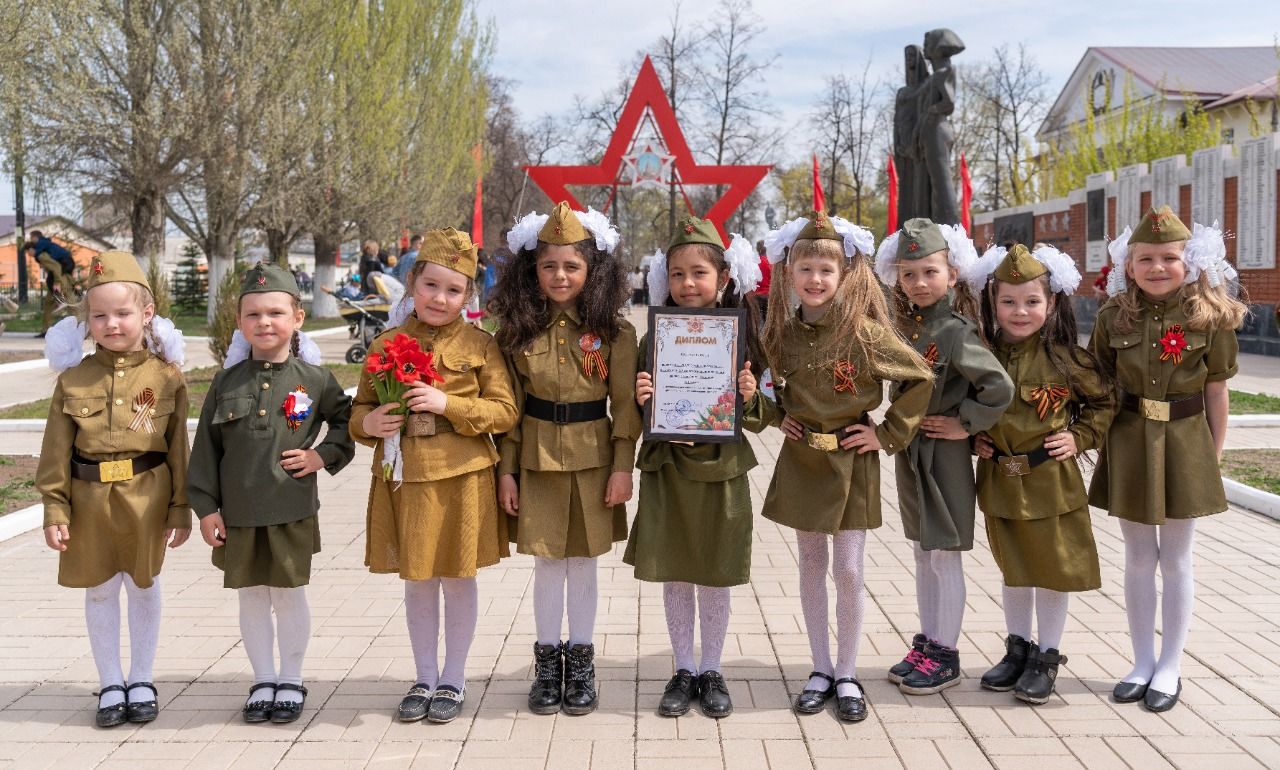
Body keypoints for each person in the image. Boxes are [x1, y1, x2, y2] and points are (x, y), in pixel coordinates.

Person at [760, 211, 934, 722]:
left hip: (852, 463)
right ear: (790, 274)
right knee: (812, 567)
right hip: (802, 461)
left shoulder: (864, 332)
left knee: (850, 569)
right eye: (806, 269)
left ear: (844, 275)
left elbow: (920, 377)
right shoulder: (780, 334)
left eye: (826, 271)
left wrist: (885, 432)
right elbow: (769, 390)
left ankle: (849, 670)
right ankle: (819, 669)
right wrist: (777, 418)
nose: (815, 280)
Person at [350, 227, 517, 725]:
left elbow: (505, 412)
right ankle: (423, 676)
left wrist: (449, 403)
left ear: (469, 296)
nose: (440, 298)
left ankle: (454, 678)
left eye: (454, 290)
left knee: (458, 580)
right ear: (412, 283)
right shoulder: (385, 344)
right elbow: (358, 411)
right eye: (430, 286)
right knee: (418, 582)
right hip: (405, 477)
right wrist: (370, 424)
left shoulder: (481, 346)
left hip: (462, 477)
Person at [1089, 207, 1247, 712]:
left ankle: (1171, 665)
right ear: (1129, 266)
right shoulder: (1114, 316)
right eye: (1146, 259)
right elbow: (1100, 385)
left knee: (1176, 558)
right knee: (1137, 557)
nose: (1158, 267)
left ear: (1190, 261)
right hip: (1130, 441)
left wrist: (1213, 457)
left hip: (1184, 444)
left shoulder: (1210, 316)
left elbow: (1217, 391)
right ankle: (1141, 662)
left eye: (1169, 258)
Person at [186, 263, 355, 725]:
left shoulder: (315, 380)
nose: (265, 322)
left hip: (290, 508)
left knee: (289, 594)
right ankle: (263, 679)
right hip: (238, 512)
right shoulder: (226, 383)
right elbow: (205, 448)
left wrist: (322, 456)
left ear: (297, 318)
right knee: (252, 596)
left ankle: (292, 678)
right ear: (240, 323)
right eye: (253, 314)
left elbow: (347, 424)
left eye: (276, 312)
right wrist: (205, 507)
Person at [489, 202, 638, 717]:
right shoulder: (514, 332)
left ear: (592, 271)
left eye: (572, 266)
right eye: (549, 265)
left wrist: (623, 466)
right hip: (533, 458)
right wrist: (505, 471)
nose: (560, 275)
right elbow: (508, 409)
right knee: (547, 563)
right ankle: (546, 663)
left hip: (594, 460)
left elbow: (624, 407)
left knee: (584, 562)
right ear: (533, 270)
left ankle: (581, 662)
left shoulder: (616, 333)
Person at [35, 250, 190, 727]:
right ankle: (109, 681)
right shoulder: (74, 378)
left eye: (122, 313)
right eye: (98, 316)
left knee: (144, 586)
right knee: (100, 590)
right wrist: (54, 509)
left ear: (146, 314)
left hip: (147, 497)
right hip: (88, 502)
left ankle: (141, 678)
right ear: (86, 322)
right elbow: (55, 449)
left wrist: (181, 508)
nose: (111, 324)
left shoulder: (166, 377)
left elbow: (179, 447)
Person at [626, 216, 771, 719]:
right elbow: (636, 402)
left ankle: (712, 667)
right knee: (675, 570)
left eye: (699, 274)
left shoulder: (743, 337)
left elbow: (765, 413)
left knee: (714, 569)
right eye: (678, 274)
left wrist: (750, 397)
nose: (689, 284)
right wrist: (642, 398)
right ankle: (682, 666)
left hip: (721, 470)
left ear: (723, 279)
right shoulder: (655, 336)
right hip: (668, 468)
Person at [873, 218, 1014, 695]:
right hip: (912, 453)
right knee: (923, 552)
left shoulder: (954, 332)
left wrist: (964, 423)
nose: (919, 282)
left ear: (952, 274)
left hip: (945, 456)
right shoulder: (910, 327)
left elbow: (999, 387)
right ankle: (928, 644)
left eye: (929, 271)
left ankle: (947, 654)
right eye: (909, 273)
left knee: (945, 556)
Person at [970, 243, 1114, 705]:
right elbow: (964, 403)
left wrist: (1081, 436)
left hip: (1051, 481)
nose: (1020, 311)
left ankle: (1047, 657)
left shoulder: (1067, 359)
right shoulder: (982, 353)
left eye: (1032, 301)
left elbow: (1104, 402)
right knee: (1014, 570)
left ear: (1051, 304)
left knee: (1051, 571)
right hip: (1000, 480)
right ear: (993, 303)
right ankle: (1017, 650)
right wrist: (974, 434)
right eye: (1008, 301)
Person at [25, 229, 78, 336]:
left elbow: (56, 267)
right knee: (52, 303)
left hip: (61, 276)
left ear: (31, 249)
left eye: (27, 252)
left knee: (70, 303)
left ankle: (79, 327)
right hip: (63, 273)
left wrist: (57, 283)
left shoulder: (41, 254)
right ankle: (46, 330)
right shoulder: (45, 247)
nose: (28, 254)